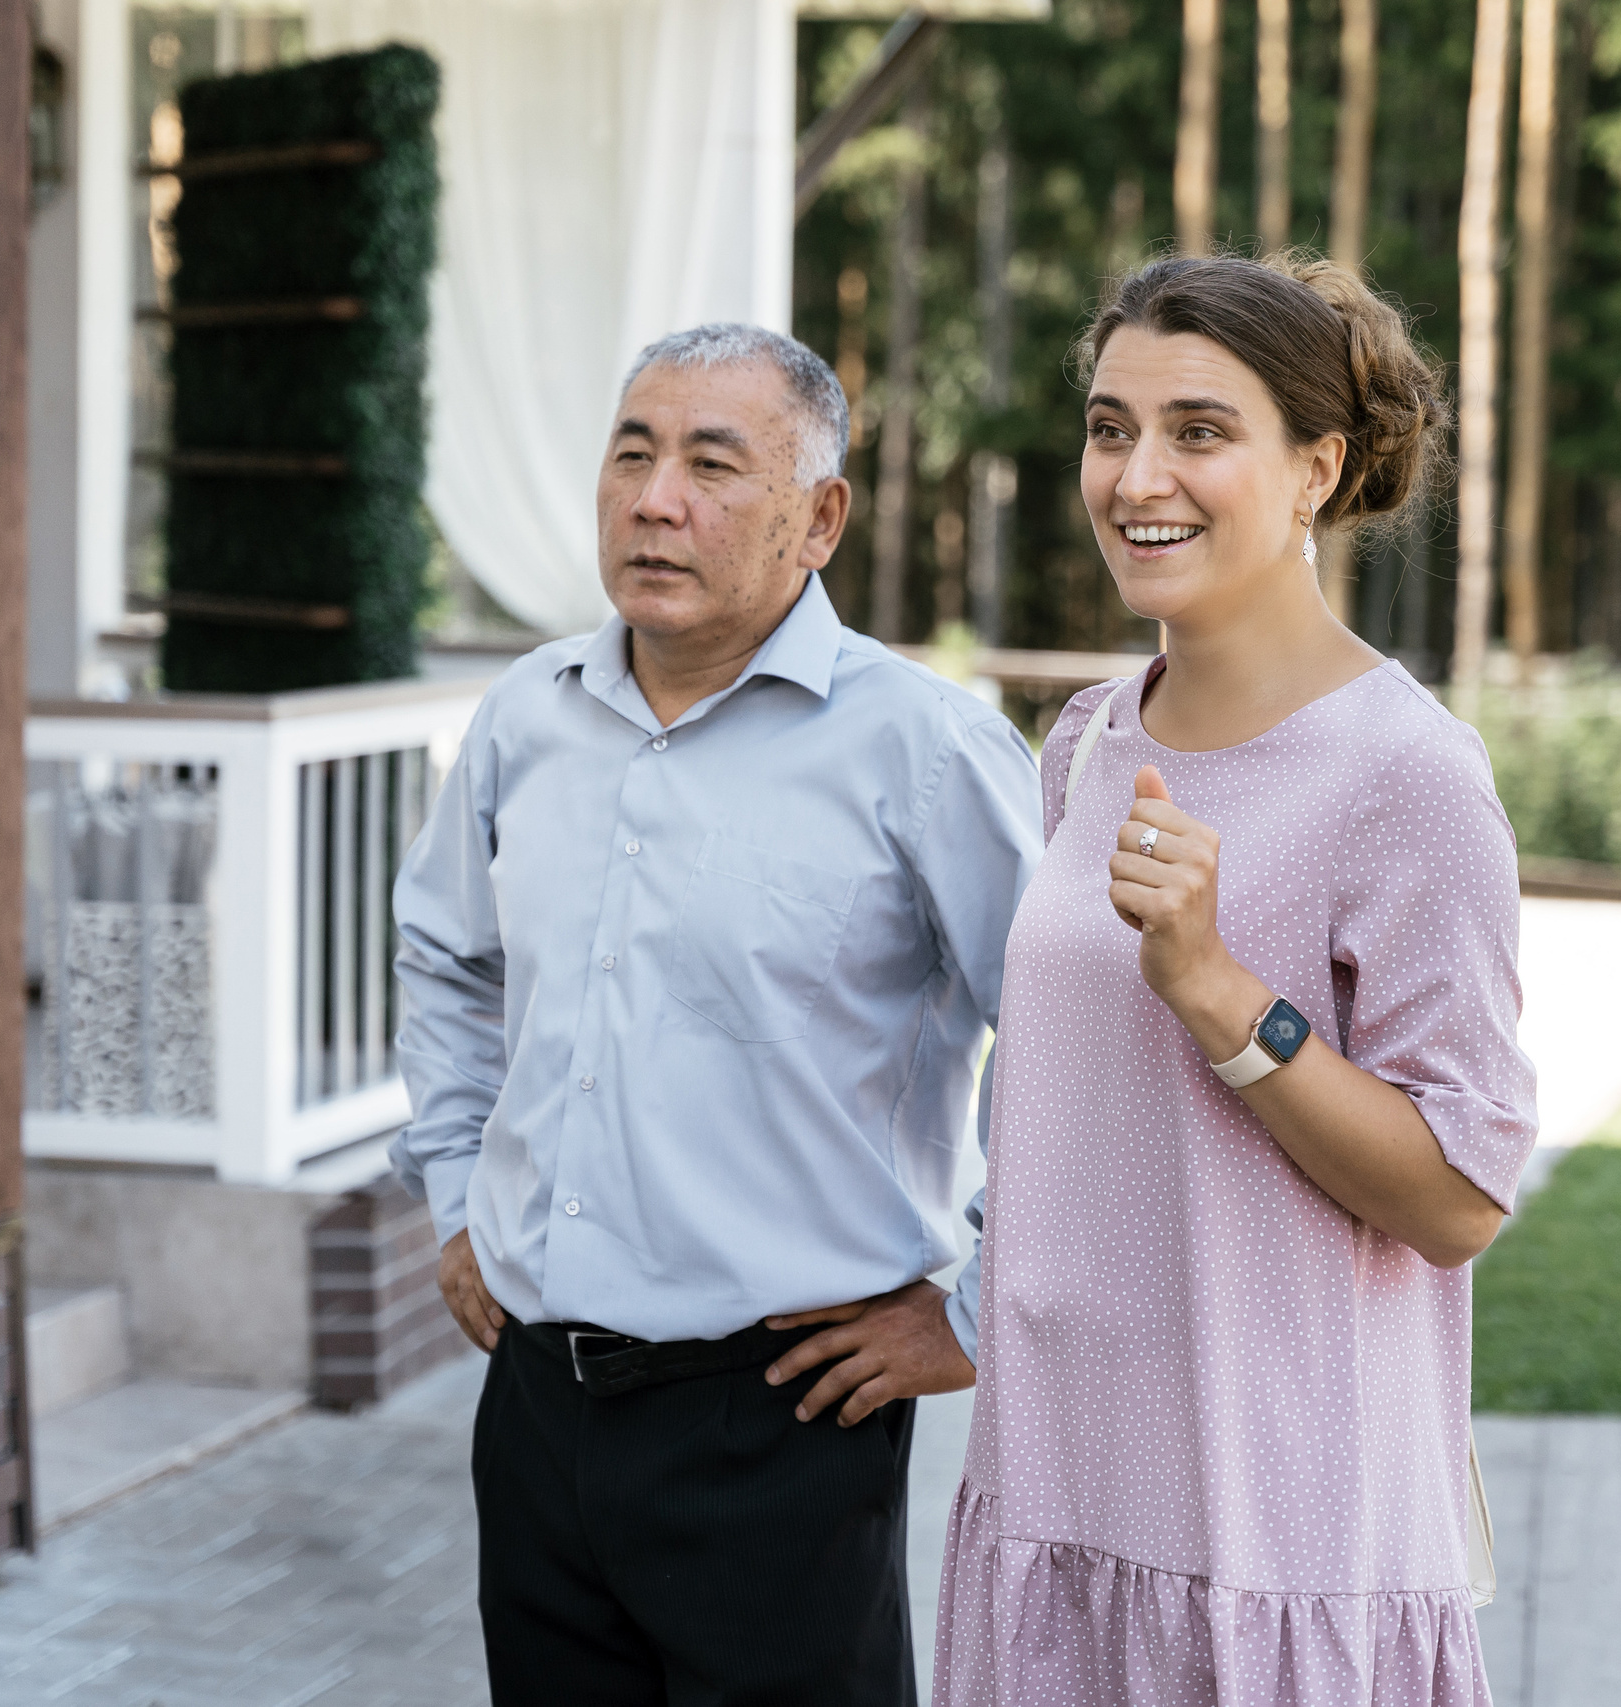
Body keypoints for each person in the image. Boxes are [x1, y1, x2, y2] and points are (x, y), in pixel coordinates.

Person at [389, 322, 1042, 1704]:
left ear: (820, 519)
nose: (655, 498)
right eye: (633, 453)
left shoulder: (923, 748)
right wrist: (454, 1193)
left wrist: (978, 1310)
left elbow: (1067, 1046)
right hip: (537, 1404)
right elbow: (448, 959)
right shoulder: (529, 717)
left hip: (786, 1419)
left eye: (710, 463)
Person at [932, 254, 1538, 1705]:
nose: (1139, 474)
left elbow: (1459, 1197)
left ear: (1317, 468)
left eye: (1200, 430)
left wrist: (1223, 997)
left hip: (1274, 1547)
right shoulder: (1086, 741)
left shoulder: (1408, 776)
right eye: (1109, 426)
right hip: (1058, 1514)